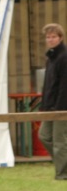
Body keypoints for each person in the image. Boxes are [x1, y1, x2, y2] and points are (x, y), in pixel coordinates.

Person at [39, 23, 67, 180]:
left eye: (53, 37)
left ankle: (63, 174)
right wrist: (44, 106)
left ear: (60, 38)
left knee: (59, 141)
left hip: (62, 107)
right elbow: (48, 85)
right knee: (44, 136)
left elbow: (64, 86)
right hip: (49, 107)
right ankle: (64, 166)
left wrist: (60, 109)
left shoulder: (64, 57)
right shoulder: (50, 57)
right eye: (48, 37)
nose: (50, 39)